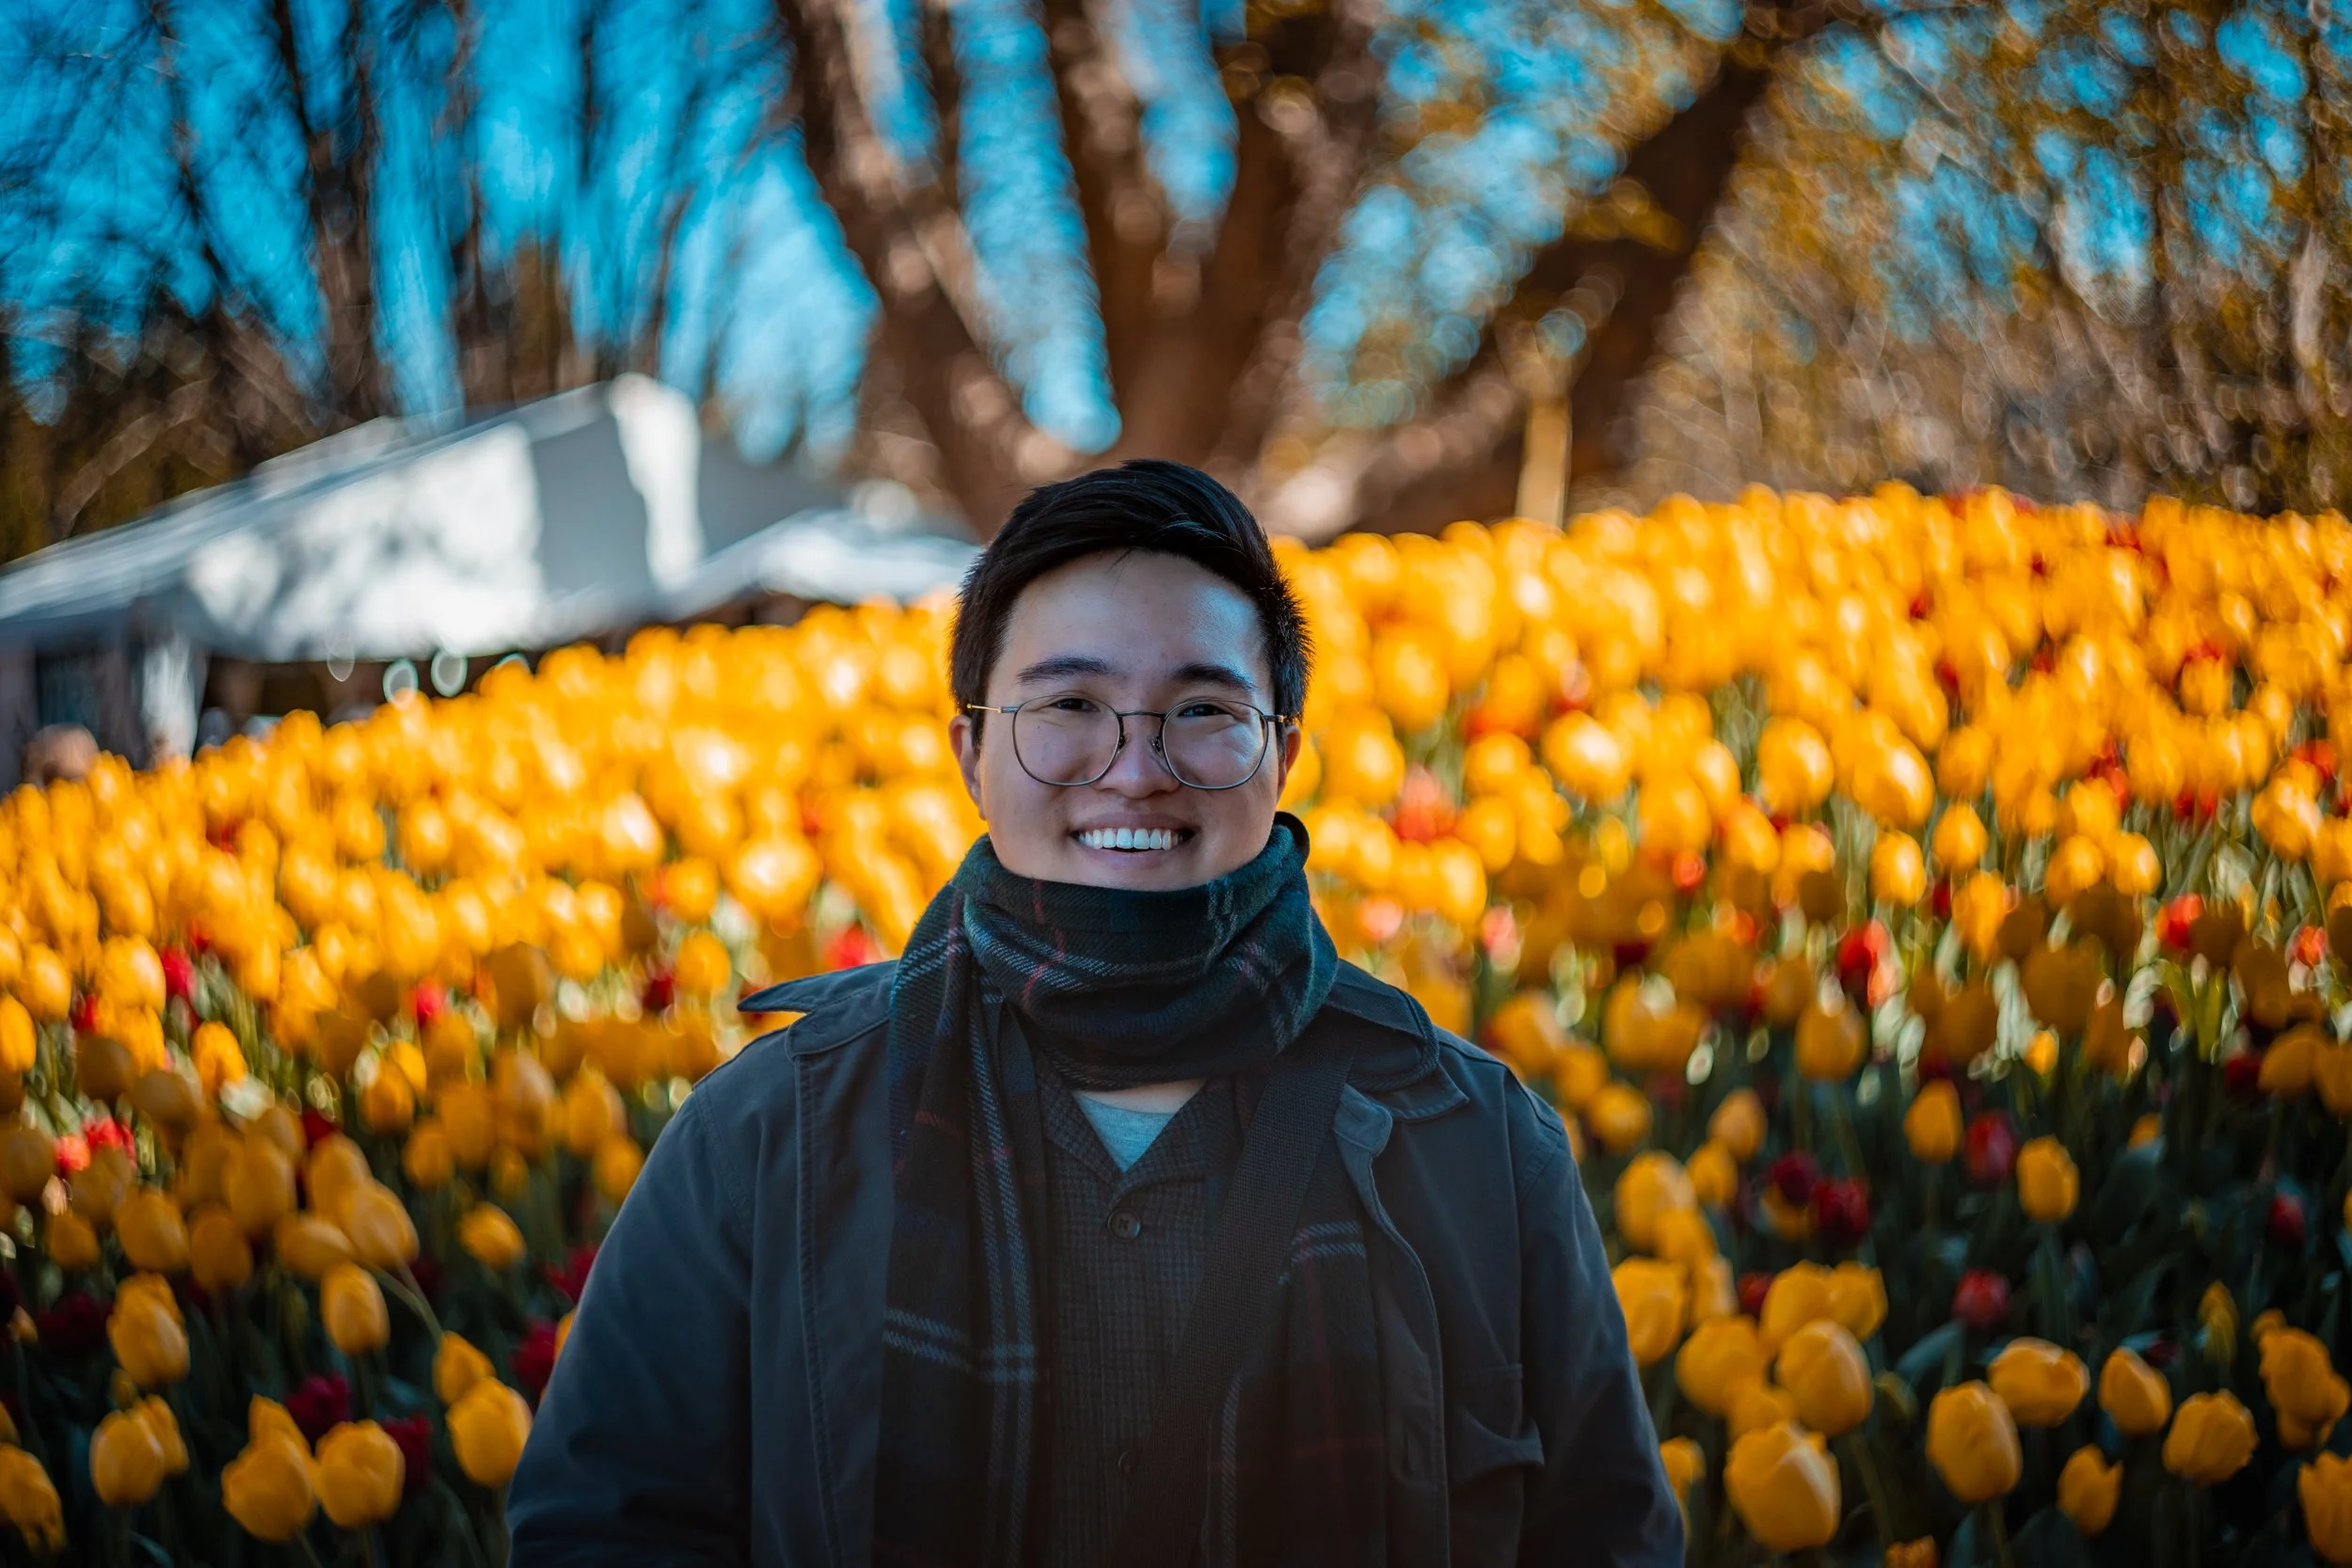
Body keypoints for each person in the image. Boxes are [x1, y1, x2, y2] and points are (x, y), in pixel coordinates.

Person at [509, 460, 1679, 1566]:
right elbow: (605, 1524)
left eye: (1202, 708)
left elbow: (1607, 1537)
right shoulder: (771, 1133)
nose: (1133, 767)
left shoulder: (1471, 1139)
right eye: (1069, 700)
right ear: (972, 749)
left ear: (1282, 753)